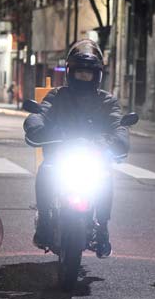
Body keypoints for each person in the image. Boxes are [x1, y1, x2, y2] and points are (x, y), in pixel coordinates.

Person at [23, 39, 129, 258]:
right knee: (45, 171)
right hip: (60, 156)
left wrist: (118, 140)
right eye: (79, 72)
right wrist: (36, 126)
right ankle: (45, 220)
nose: (83, 77)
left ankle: (102, 227)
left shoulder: (107, 101)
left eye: (88, 74)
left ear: (97, 75)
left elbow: (118, 124)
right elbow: (41, 113)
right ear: (70, 73)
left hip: (94, 157)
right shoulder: (57, 95)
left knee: (105, 178)